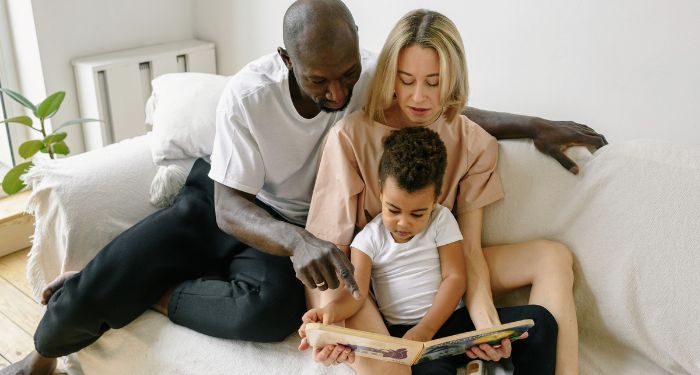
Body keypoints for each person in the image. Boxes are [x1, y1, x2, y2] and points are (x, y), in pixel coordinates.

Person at [1, 1, 601, 374]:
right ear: (286, 58)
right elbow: (230, 205)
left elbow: (444, 109)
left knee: (272, 311)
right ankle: (46, 353)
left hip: (288, 231)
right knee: (104, 282)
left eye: (347, 78)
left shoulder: (366, 75)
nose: (339, 95)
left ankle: (164, 293)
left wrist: (536, 125)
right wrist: (296, 243)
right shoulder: (249, 96)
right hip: (219, 204)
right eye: (321, 81)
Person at [299, 8, 577, 375]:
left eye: (434, 82)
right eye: (406, 79)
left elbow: (468, 250)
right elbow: (332, 254)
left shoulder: (475, 143)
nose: (419, 97)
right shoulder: (349, 138)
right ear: (390, 77)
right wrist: (333, 324)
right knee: (393, 364)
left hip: (438, 270)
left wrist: (485, 324)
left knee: (552, 257)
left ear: (453, 79)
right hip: (361, 280)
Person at [302, 126, 557, 374]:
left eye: (417, 213)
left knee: (540, 321)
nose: (403, 223)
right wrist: (327, 313)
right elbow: (355, 294)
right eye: (393, 210)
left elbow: (455, 279)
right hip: (407, 337)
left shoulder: (441, 220)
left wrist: (427, 328)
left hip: (452, 323)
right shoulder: (367, 239)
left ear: (436, 198)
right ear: (380, 191)